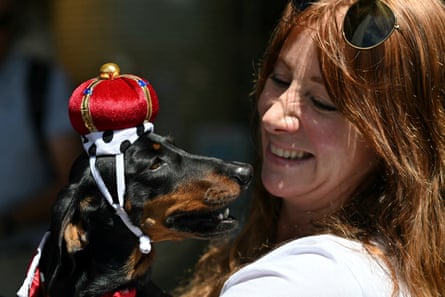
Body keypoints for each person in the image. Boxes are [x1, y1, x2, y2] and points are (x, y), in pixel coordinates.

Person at [175, 0, 445, 296]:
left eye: (322, 103)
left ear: (397, 133)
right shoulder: (394, 262)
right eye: (279, 79)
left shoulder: (311, 278)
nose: (273, 116)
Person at [0, 0, 80, 237]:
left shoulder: (42, 82)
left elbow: (73, 181)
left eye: (3, 22)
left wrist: (9, 220)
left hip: (23, 252)